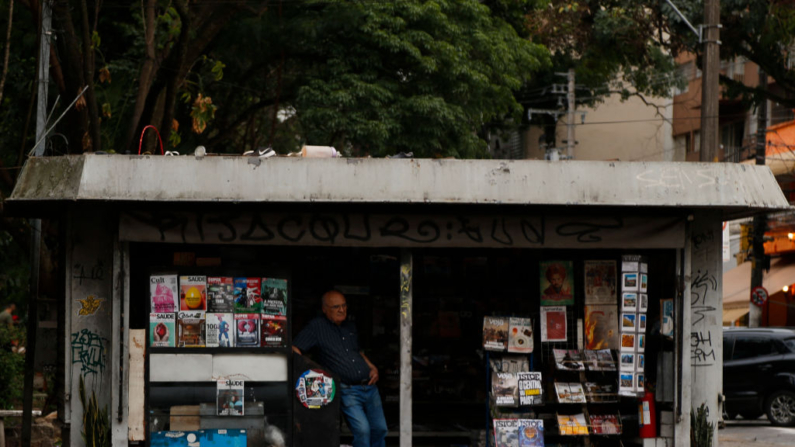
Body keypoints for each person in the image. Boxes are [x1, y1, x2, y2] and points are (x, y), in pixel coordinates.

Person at [293, 290, 387, 447]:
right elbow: (294, 348)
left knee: (379, 429)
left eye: (343, 306)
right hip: (347, 389)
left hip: (370, 386)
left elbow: (357, 352)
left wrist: (372, 367)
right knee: (363, 430)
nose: (341, 310)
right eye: (336, 307)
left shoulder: (349, 326)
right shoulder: (316, 327)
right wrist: (313, 370)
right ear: (324, 309)